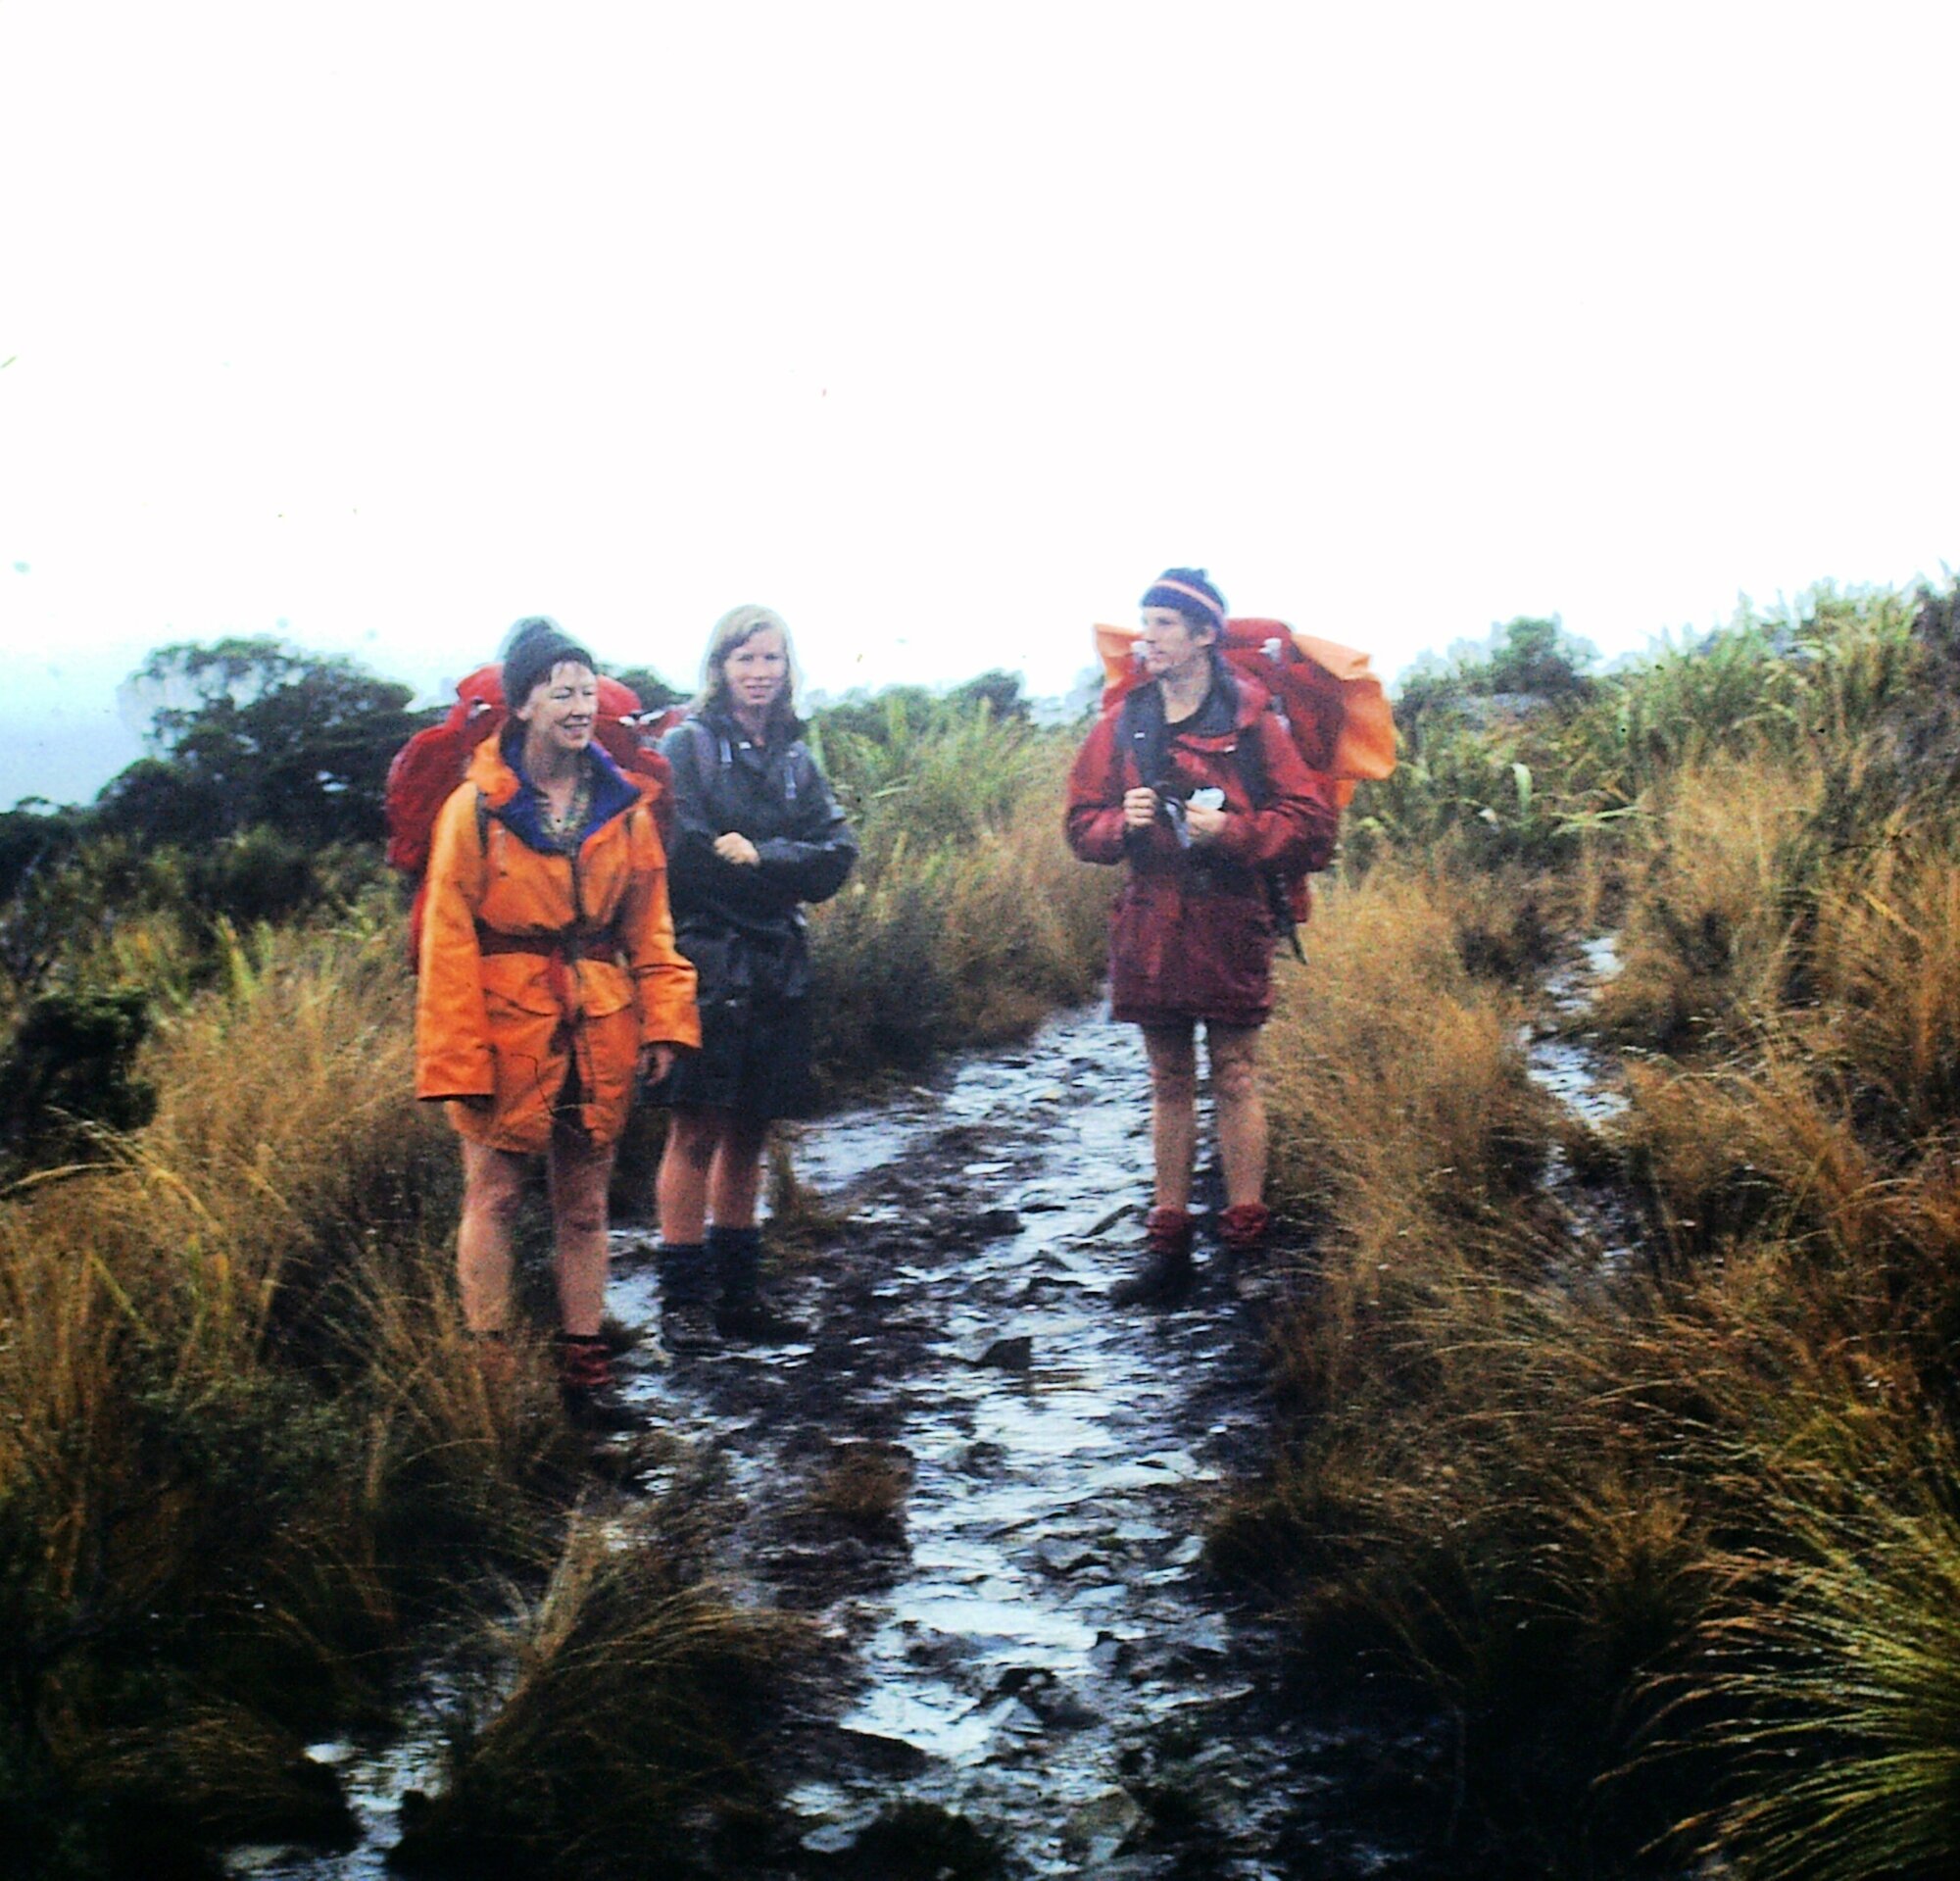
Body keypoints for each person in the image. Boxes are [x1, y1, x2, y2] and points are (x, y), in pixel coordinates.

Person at [416, 618, 700, 1426]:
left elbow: (652, 929)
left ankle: (586, 1376)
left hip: (600, 1022)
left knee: (584, 1202)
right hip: (507, 1025)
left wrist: (666, 1025)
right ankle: (495, 1382)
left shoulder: (625, 810)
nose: (578, 704)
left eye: (586, 688)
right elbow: (447, 944)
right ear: (525, 701)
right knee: (495, 1194)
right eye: (560, 688)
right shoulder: (472, 811)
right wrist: (456, 1062)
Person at [1065, 568, 1337, 1304]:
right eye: (1144, 622)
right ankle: (1170, 1250)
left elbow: (1313, 827)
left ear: (1204, 635)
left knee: (1237, 1075)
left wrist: (1233, 831)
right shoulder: (1123, 723)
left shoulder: (1257, 724)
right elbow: (1081, 826)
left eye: (1161, 624)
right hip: (1151, 921)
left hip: (1229, 920)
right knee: (1170, 1081)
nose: (1144, 638)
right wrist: (1124, 824)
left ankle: (1246, 1244)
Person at [651, 604, 857, 1344]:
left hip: (777, 962)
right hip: (706, 958)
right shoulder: (688, 746)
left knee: (750, 1131)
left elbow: (836, 855)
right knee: (695, 1126)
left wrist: (765, 857)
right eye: (746, 659)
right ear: (720, 668)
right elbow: (689, 855)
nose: (760, 672)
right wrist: (768, 869)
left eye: (772, 658)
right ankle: (682, 1303)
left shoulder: (798, 756)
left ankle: (740, 1296)